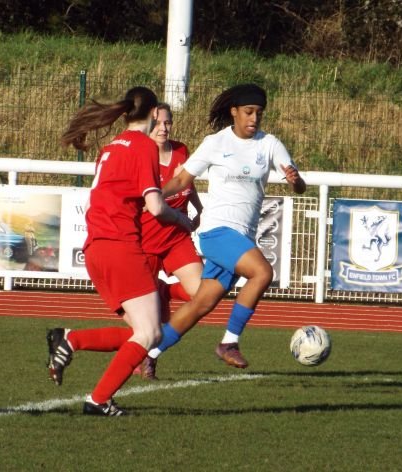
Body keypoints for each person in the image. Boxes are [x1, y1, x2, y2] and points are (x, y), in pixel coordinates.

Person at [141, 83, 306, 378]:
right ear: (234, 112)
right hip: (216, 232)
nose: (254, 118)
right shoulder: (215, 143)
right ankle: (228, 343)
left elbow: (299, 184)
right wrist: (152, 196)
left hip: (241, 237)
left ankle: (149, 355)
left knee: (201, 303)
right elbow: (181, 181)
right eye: (248, 112)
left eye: (258, 113)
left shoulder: (269, 144)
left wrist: (296, 181)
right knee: (263, 273)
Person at [46, 86, 192, 416]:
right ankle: (98, 400)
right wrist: (183, 221)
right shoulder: (144, 146)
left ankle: (70, 340)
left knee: (140, 334)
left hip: (96, 247)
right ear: (154, 114)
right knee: (150, 333)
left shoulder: (109, 148)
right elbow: (155, 206)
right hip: (121, 245)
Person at [137, 103, 204, 380]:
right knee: (147, 322)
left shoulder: (182, 151)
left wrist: (199, 207)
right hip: (146, 241)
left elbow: (188, 184)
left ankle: (165, 292)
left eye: (168, 122)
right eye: (158, 123)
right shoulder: (140, 155)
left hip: (177, 237)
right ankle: (145, 361)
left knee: (202, 293)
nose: (163, 128)